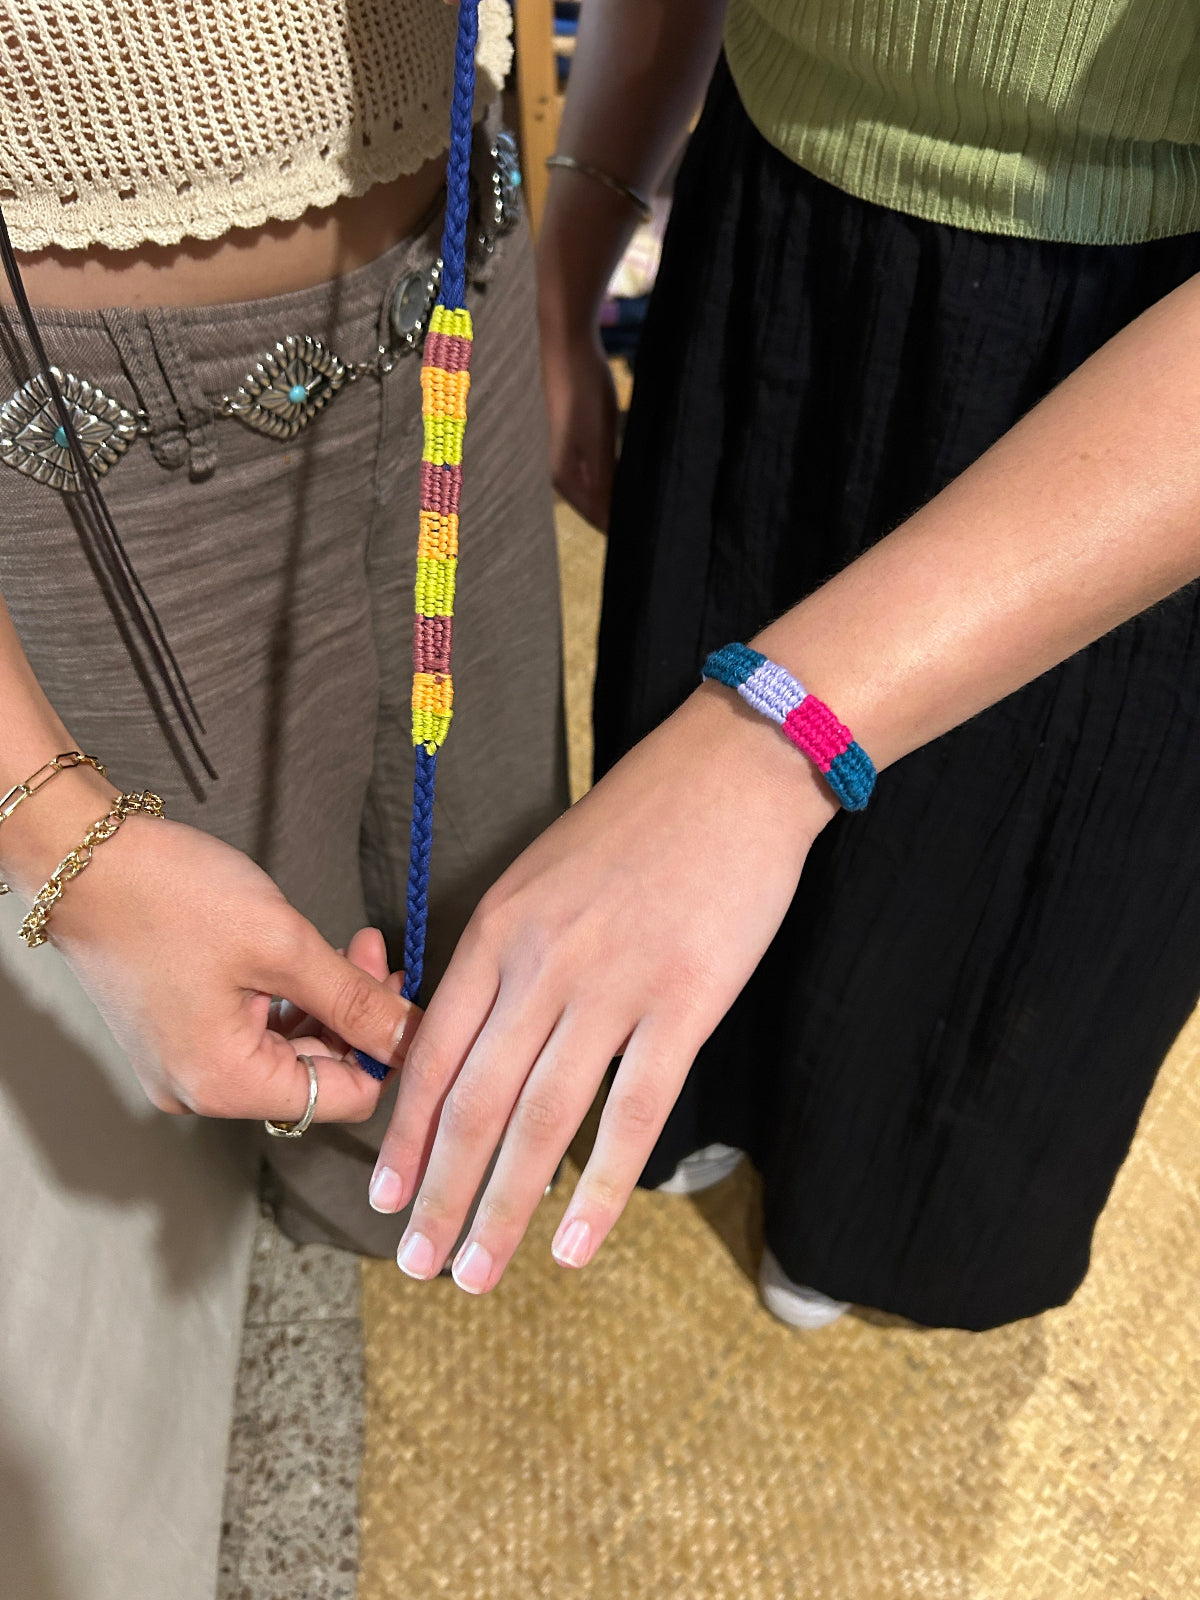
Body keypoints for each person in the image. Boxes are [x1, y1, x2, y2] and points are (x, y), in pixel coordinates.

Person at [368, 0, 1200, 1333]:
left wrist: (777, 729)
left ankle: (867, 1219)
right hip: (764, 243)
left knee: (992, 913)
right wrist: (576, 240)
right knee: (690, 870)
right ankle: (721, 1106)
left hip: (1134, 386)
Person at [0, 1, 566, 1590]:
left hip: (461, 235)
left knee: (495, 833)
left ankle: (435, 1186)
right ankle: (367, 1210)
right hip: (97, 415)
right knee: (284, 977)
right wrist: (63, 836)